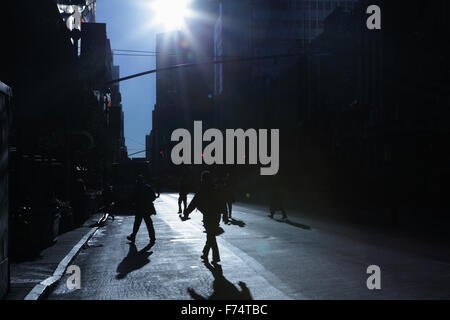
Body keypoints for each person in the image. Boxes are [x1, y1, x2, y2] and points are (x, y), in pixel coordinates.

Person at [184, 171, 222, 264]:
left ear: (203, 179)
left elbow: (194, 202)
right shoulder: (215, 188)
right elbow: (222, 202)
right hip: (216, 215)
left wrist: (187, 212)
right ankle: (205, 253)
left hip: (208, 215)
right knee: (211, 235)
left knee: (211, 236)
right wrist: (225, 214)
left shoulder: (202, 189)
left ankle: (215, 257)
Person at [127, 175, 157, 245]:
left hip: (139, 208)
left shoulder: (136, 188)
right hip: (146, 208)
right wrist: (148, 201)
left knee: (137, 224)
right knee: (149, 224)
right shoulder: (147, 187)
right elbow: (153, 197)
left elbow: (133, 198)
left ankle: (133, 236)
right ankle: (152, 238)